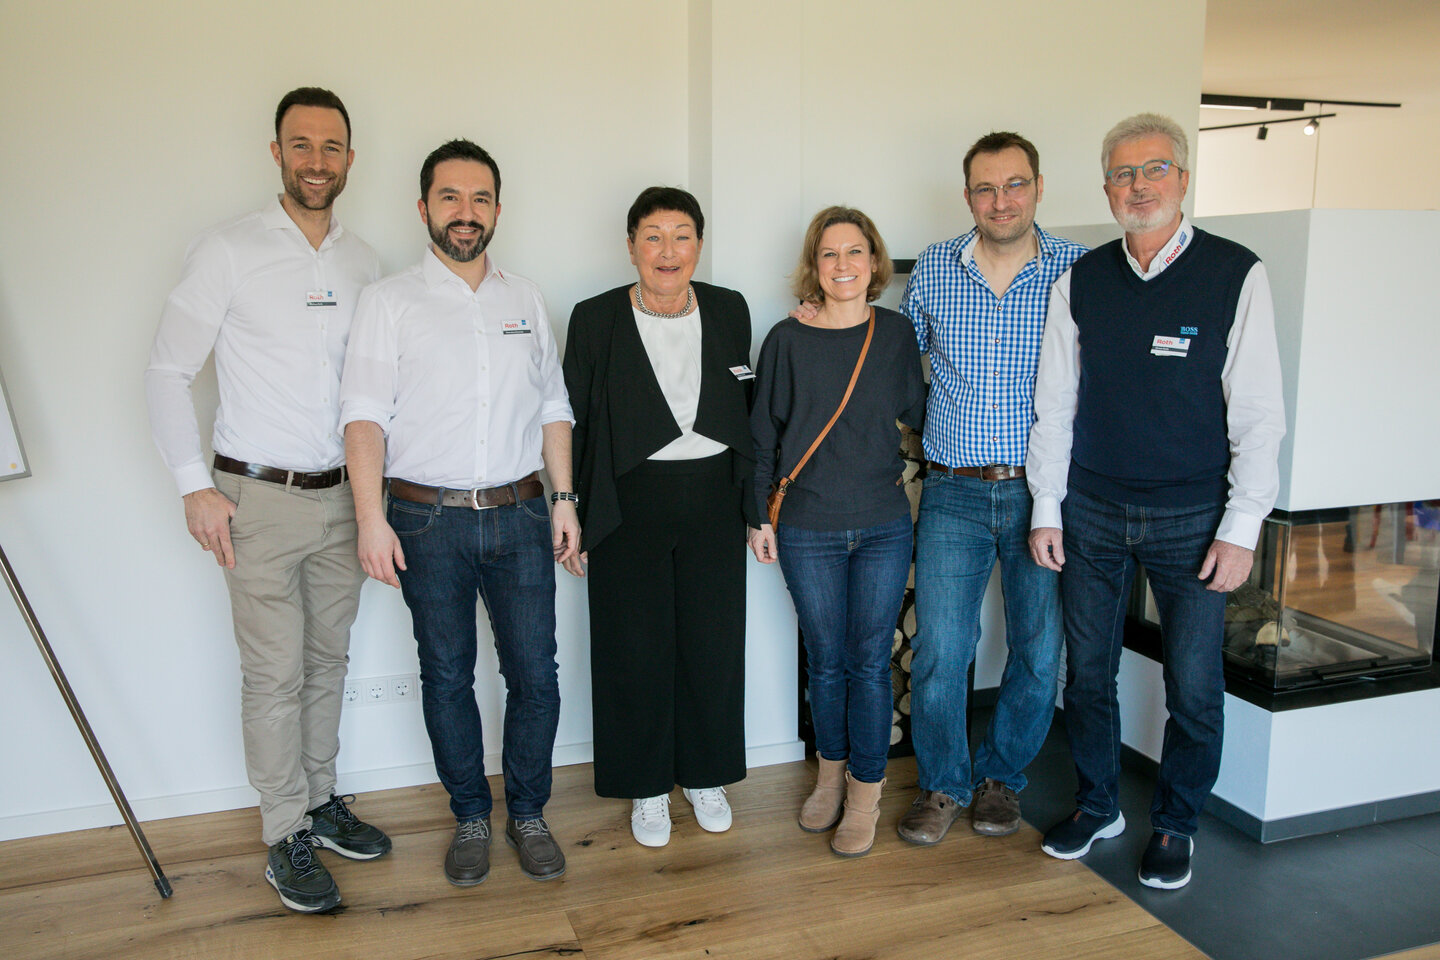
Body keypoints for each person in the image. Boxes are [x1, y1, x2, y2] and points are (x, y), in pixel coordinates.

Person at [145, 87, 390, 914]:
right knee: (273, 674)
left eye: (331, 147)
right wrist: (193, 487)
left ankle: (319, 802)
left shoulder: (368, 266)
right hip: (256, 500)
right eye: (301, 144)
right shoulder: (228, 249)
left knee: (328, 662)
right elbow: (166, 370)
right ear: (276, 152)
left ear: (350, 159)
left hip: (343, 500)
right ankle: (283, 828)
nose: (316, 161)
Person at [1027, 113, 1285, 890]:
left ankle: (1175, 825)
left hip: (1194, 521)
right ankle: (1099, 804)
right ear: (1105, 186)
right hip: (1092, 512)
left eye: (1154, 170)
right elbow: (1055, 405)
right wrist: (1047, 506)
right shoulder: (1082, 279)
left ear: (1182, 177)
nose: (1137, 186)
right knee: (1088, 675)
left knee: (1196, 689)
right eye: (1122, 174)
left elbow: (1259, 413)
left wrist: (1243, 527)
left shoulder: (1236, 272)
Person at [339, 139, 579, 886]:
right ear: (424, 208)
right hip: (425, 521)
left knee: (535, 675)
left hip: (521, 515)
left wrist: (565, 498)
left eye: (480, 199)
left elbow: (553, 407)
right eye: (450, 197)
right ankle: (472, 815)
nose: (465, 212)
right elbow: (363, 418)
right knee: (446, 676)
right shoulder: (388, 302)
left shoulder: (524, 298)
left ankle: (529, 813)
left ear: (497, 211)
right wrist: (369, 518)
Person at [895, 132, 1088, 846]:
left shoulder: (1078, 270)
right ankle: (943, 785)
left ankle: (1002, 778)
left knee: (1039, 649)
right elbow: (894, 357)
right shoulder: (936, 270)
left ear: (1040, 186)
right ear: (966, 194)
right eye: (985, 187)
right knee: (944, 646)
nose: (1000, 200)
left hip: (1047, 498)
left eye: (1014, 184)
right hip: (954, 492)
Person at [562, 186, 757, 849]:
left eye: (681, 235)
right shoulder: (594, 318)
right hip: (628, 500)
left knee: (711, 641)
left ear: (698, 245)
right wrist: (577, 515)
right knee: (633, 646)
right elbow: (577, 424)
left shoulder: (731, 308)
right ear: (631, 247)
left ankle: (705, 774)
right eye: (652, 236)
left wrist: (755, 509)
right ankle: (646, 785)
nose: (667, 251)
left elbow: (748, 412)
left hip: (713, 500)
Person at [750, 207, 925, 857]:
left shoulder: (897, 335)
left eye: (856, 252)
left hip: (882, 524)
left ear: (875, 262)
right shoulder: (786, 341)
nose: (844, 264)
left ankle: (864, 795)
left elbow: (920, 410)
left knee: (869, 664)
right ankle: (827, 779)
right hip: (807, 527)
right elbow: (763, 436)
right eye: (830, 254)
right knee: (826, 662)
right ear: (814, 266)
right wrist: (756, 517)